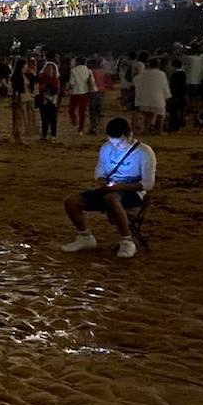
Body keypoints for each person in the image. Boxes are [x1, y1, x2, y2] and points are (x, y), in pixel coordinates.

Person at [61, 116, 157, 259]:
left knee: (112, 198)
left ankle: (126, 241)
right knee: (72, 201)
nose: (116, 147)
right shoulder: (107, 147)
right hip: (110, 189)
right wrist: (101, 181)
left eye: (119, 143)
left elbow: (148, 183)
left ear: (129, 135)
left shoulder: (144, 152)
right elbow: (100, 170)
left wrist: (120, 187)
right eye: (113, 143)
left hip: (133, 192)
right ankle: (85, 237)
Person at [133, 59, 171, 135]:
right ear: (158, 65)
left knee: (149, 115)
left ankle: (146, 130)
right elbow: (164, 86)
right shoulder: (161, 74)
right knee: (160, 115)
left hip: (145, 98)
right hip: (158, 98)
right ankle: (159, 131)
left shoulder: (144, 73)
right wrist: (167, 96)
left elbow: (136, 80)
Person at [67, 56, 98, 135]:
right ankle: (81, 129)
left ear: (77, 62)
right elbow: (92, 82)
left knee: (72, 109)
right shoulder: (88, 70)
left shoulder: (73, 70)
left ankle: (74, 120)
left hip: (75, 92)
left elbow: (72, 83)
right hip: (85, 92)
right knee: (82, 111)